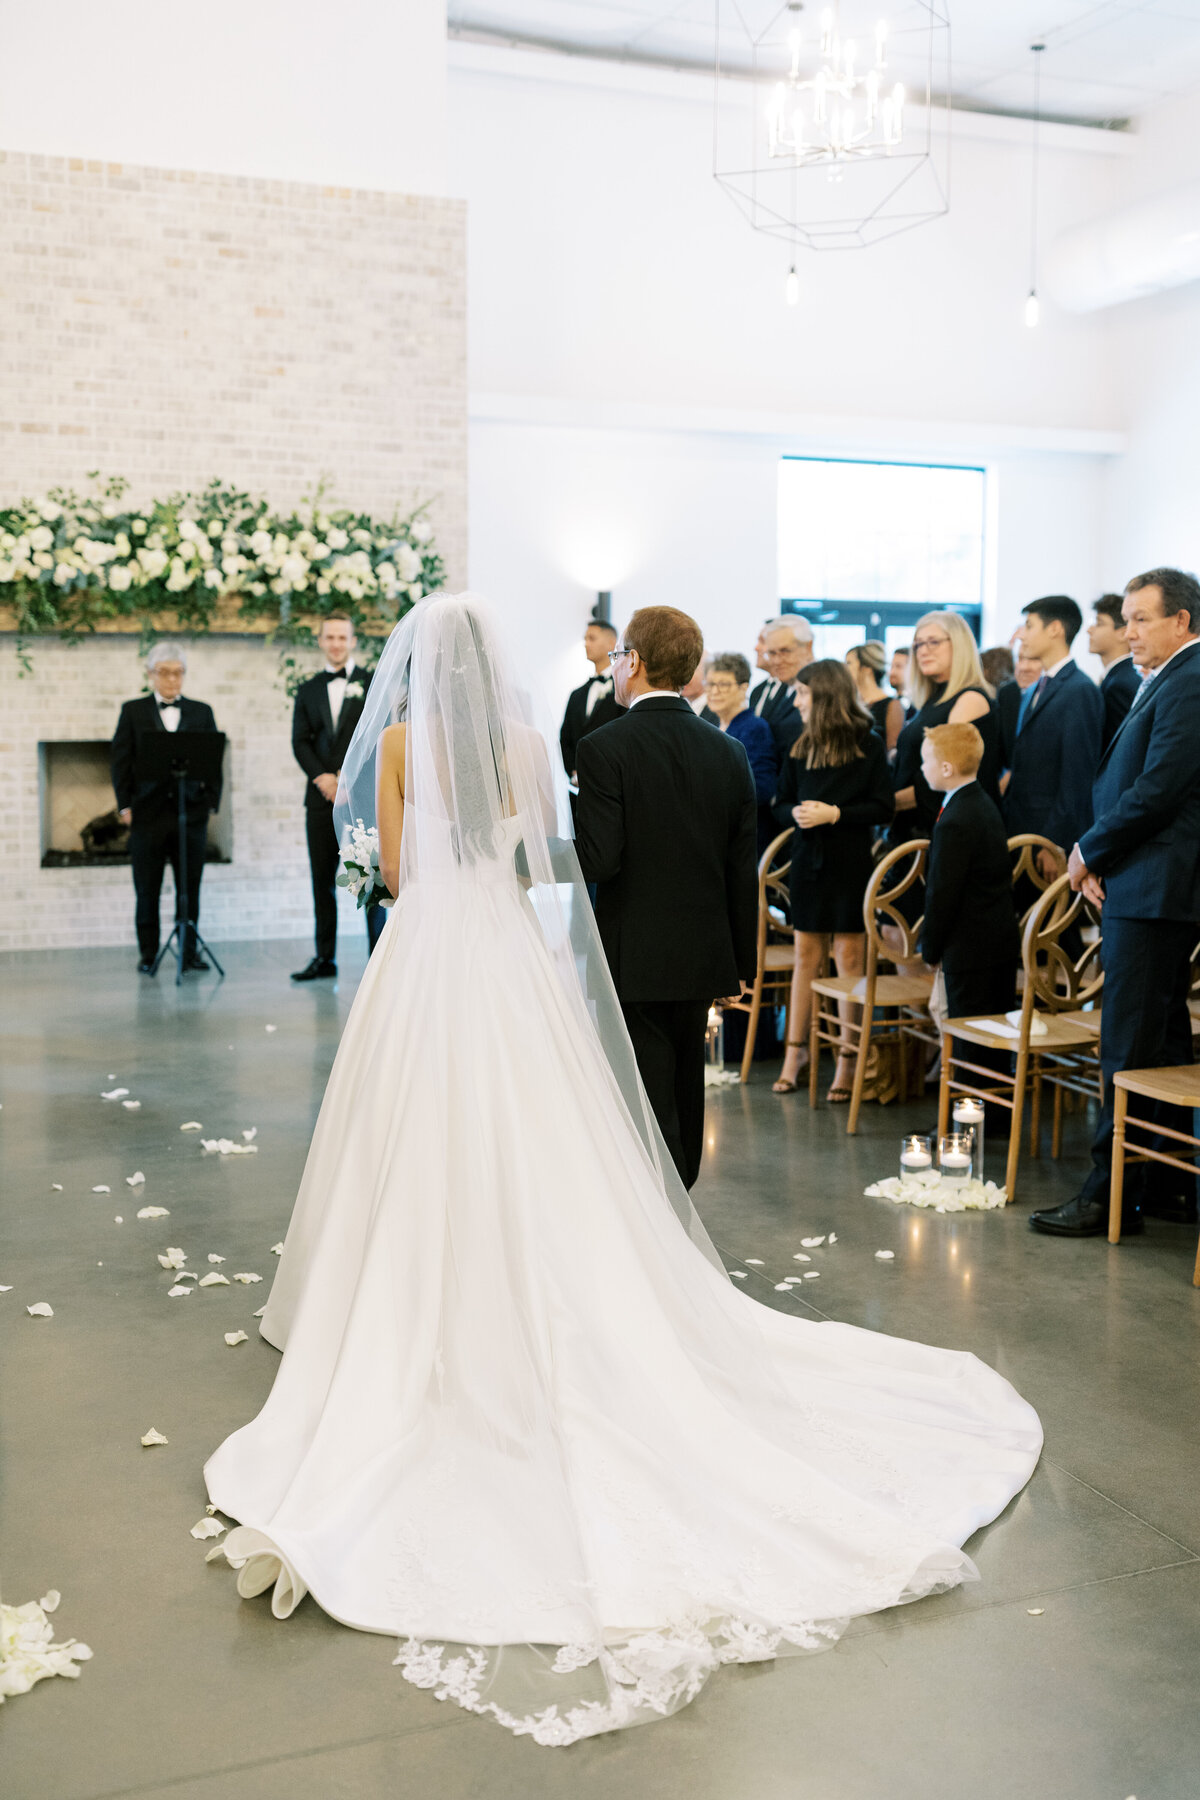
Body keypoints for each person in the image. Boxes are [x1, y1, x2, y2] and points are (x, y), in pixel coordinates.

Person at [204, 591, 1042, 1747]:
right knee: (534, 1120)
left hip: (429, 952)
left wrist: (424, 878)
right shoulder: (526, 741)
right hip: (504, 950)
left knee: (408, 1121)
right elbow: (550, 859)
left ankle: (401, 1296)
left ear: (411, 668)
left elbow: (395, 870)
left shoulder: (398, 743)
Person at [1031, 567, 1200, 1239]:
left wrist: (1089, 851)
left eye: (1141, 618)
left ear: (1181, 621)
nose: (1128, 631)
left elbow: (1160, 788)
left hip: (1157, 889)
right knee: (1159, 1040)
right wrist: (1104, 856)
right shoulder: (1172, 676)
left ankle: (1110, 1195)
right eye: (1126, 618)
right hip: (1145, 880)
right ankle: (1160, 1182)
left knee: (1124, 1045)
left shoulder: (1190, 679)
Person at [575, 607, 758, 1188]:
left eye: (616, 658)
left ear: (635, 662)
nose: (613, 669)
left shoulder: (604, 746)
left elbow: (600, 859)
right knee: (685, 1085)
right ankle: (680, 1208)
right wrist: (742, 963)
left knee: (643, 1095)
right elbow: (740, 869)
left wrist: (537, 855)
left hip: (633, 953)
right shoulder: (727, 751)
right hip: (704, 951)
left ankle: (659, 1223)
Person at [771, 661, 894, 1100]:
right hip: (809, 860)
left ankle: (847, 1058)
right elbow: (779, 802)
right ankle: (796, 1053)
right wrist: (797, 814)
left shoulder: (868, 743)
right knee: (805, 954)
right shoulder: (800, 744)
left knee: (849, 957)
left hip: (849, 861)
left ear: (824, 696)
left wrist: (836, 814)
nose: (797, 701)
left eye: (802, 694)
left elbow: (883, 807)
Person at [110, 641, 221, 974]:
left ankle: (188, 953)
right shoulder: (133, 711)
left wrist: (211, 802)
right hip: (147, 815)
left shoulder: (202, 711)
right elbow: (120, 761)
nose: (172, 679)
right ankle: (148, 954)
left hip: (191, 814)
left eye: (178, 673)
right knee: (147, 888)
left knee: (190, 888)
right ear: (150, 674)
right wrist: (125, 806)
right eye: (164, 673)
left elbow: (214, 760)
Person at [290, 613, 383, 982]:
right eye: (329, 637)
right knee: (321, 880)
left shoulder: (373, 683)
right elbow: (299, 741)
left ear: (353, 640)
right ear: (321, 641)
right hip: (319, 798)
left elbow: (380, 734)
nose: (336, 643)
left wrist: (347, 778)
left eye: (342, 637)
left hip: (360, 797)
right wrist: (323, 779)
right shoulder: (308, 688)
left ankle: (378, 959)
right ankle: (324, 959)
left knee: (370, 879)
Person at [920, 722, 1020, 1035]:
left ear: (946, 768)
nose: (921, 768)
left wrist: (931, 949)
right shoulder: (982, 802)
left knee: (969, 1035)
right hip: (997, 943)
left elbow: (943, 893)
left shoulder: (956, 819)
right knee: (991, 1032)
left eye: (926, 761)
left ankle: (966, 1084)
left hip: (969, 949)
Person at [1004, 596, 1103, 881]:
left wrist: (1055, 842)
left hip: (1047, 836)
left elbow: (1078, 775)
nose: (1021, 634)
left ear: (1055, 629)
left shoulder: (1079, 689)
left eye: (1029, 625)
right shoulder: (1040, 685)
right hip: (1023, 829)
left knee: (1050, 923)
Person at [886, 612, 999, 856]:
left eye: (933, 642)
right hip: (917, 833)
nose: (923, 651)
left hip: (948, 837)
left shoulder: (970, 699)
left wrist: (883, 804)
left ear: (958, 644)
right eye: (917, 644)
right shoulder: (931, 700)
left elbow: (943, 779)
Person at [703, 652, 778, 852]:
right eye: (710, 684)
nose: (714, 691)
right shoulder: (709, 726)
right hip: (712, 829)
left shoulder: (755, 727)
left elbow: (761, 788)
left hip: (743, 835)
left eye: (724, 684)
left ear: (744, 687)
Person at [558, 618, 624, 779]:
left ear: (611, 643)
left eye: (592, 638)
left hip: (610, 781)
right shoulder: (577, 695)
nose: (586, 644)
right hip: (578, 785)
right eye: (585, 639)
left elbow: (623, 737)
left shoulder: (622, 691)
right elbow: (565, 737)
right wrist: (573, 771)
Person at [749, 616, 814, 749]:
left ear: (808, 647)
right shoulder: (783, 688)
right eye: (772, 653)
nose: (777, 661)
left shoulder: (823, 688)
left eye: (785, 651)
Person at [1088, 592, 1140, 750]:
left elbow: (1120, 747)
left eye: (1099, 623)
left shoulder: (1120, 684)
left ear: (1123, 633)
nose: (1089, 630)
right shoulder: (1116, 678)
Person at [846, 640, 904, 758]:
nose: (845, 669)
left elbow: (892, 752)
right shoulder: (850, 704)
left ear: (867, 668)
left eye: (849, 663)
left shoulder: (893, 705)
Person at [889, 644, 912, 717]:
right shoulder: (890, 702)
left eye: (898, 666)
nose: (892, 672)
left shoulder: (917, 705)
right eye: (891, 666)